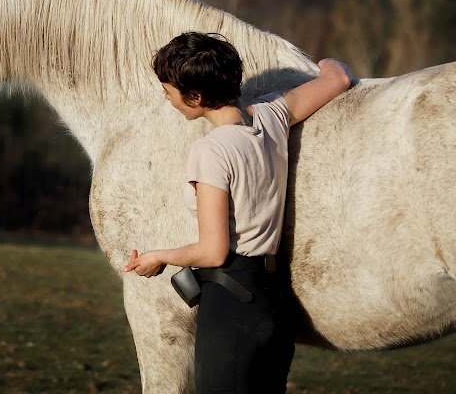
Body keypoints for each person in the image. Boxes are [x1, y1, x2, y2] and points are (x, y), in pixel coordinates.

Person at [123, 32, 353, 394]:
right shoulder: (273, 116)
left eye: (169, 91)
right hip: (274, 302)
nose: (166, 98)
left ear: (196, 97)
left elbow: (213, 251)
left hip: (230, 305)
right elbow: (338, 77)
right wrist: (320, 62)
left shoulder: (211, 151)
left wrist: (159, 257)